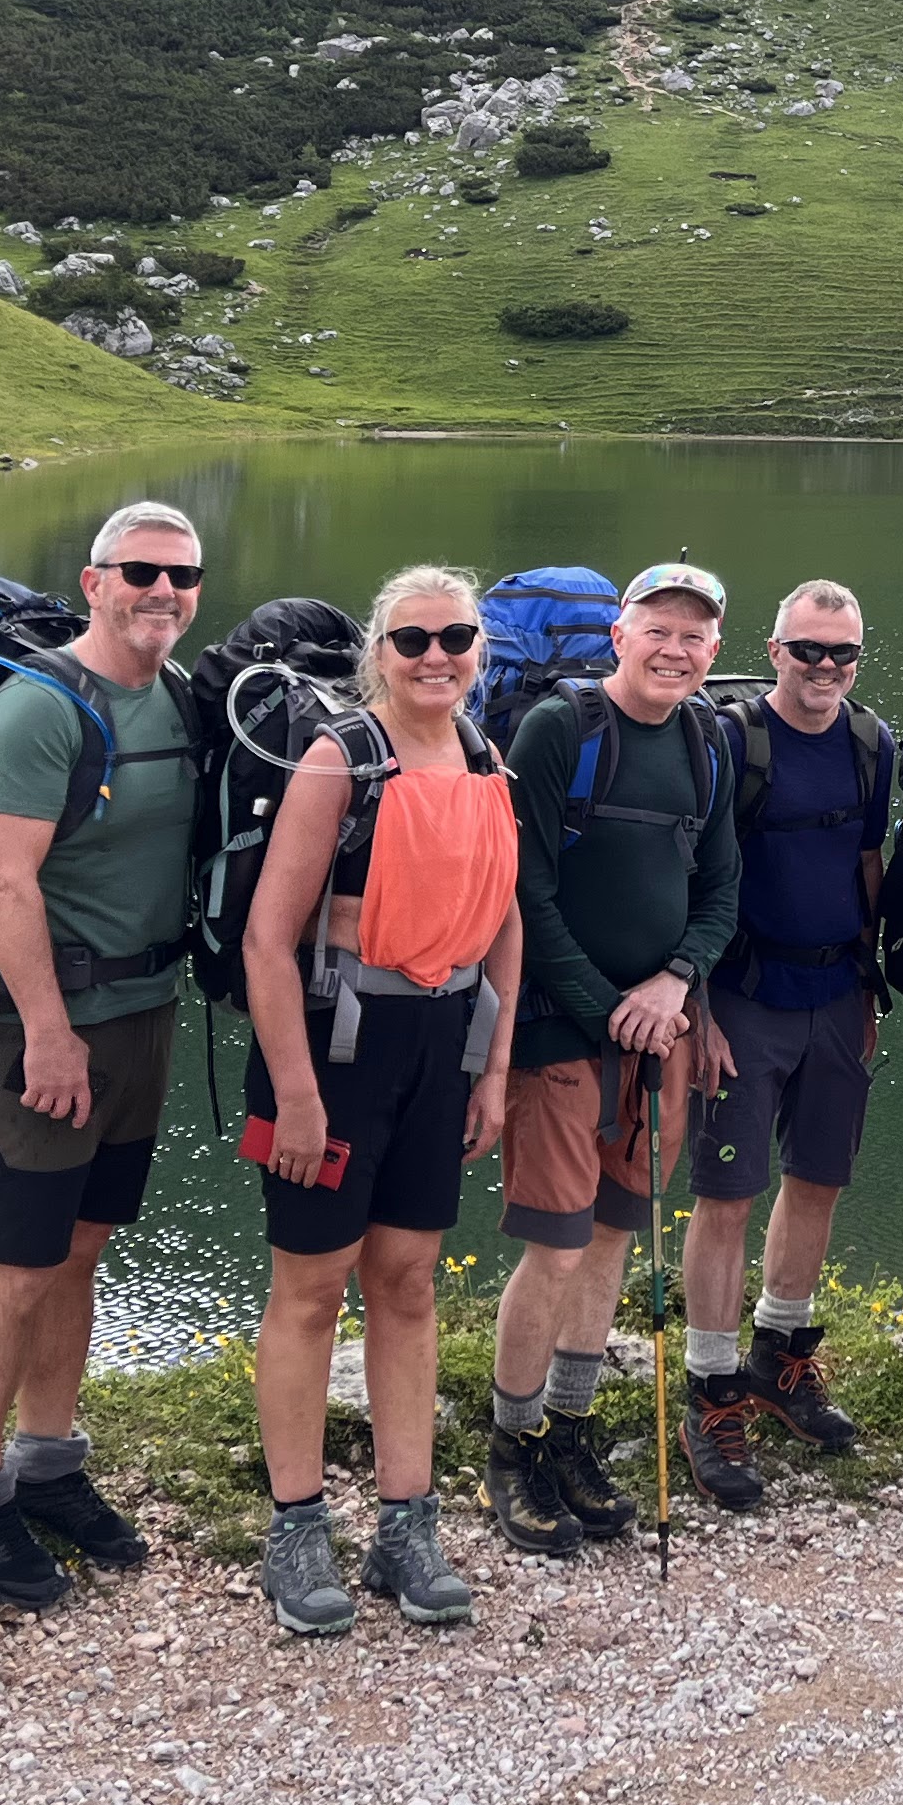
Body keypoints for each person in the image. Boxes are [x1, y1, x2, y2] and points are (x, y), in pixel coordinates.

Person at [0, 499, 209, 1609]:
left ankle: (48, 1460)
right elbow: (5, 883)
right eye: (140, 571)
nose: (163, 592)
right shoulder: (37, 709)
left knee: (83, 1245)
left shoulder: (179, 696)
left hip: (142, 1011)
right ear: (92, 581)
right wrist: (46, 1031)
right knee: (21, 1259)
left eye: (181, 575)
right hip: (44, 1026)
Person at [238, 568, 523, 1633]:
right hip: (334, 1048)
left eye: (455, 636)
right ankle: (297, 1525)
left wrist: (492, 1069)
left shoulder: (487, 758)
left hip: (441, 1042)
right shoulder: (337, 760)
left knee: (406, 1283)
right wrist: (298, 1093)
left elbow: (502, 923)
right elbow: (269, 940)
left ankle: (407, 1524)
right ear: (381, 652)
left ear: (479, 647)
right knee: (310, 1290)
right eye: (413, 641)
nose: (435, 656)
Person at [482, 563, 740, 1557]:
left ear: (716, 649)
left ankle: (574, 1430)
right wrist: (605, 1010)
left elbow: (721, 891)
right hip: (561, 1029)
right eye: (658, 628)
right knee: (554, 1243)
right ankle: (515, 1446)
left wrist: (676, 983)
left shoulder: (708, 740)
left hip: (655, 1038)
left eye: (695, 634)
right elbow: (526, 892)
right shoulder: (562, 731)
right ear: (620, 633)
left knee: (611, 1242)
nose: (675, 648)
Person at [679, 580, 892, 1506]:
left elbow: (868, 862)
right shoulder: (730, 741)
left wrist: (873, 982)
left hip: (838, 994)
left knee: (819, 1180)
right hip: (743, 998)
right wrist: (695, 1010)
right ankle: (711, 1387)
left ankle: (782, 1352)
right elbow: (689, 877)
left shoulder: (870, 743)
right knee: (726, 1197)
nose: (826, 670)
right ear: (774, 651)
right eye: (809, 650)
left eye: (843, 653)